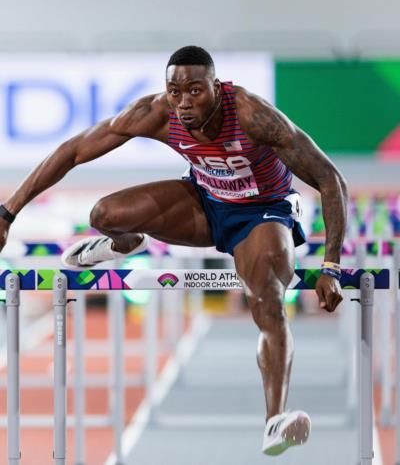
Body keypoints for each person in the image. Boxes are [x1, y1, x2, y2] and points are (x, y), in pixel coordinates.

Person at [0, 45, 347, 456]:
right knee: (105, 212)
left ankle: (274, 420)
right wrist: (8, 212)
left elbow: (330, 180)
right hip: (205, 205)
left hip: (263, 213)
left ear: (217, 87)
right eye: (175, 91)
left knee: (267, 301)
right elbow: (73, 152)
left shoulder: (255, 117)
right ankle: (127, 243)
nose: (184, 102)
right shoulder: (156, 112)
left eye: (195, 91)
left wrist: (332, 266)